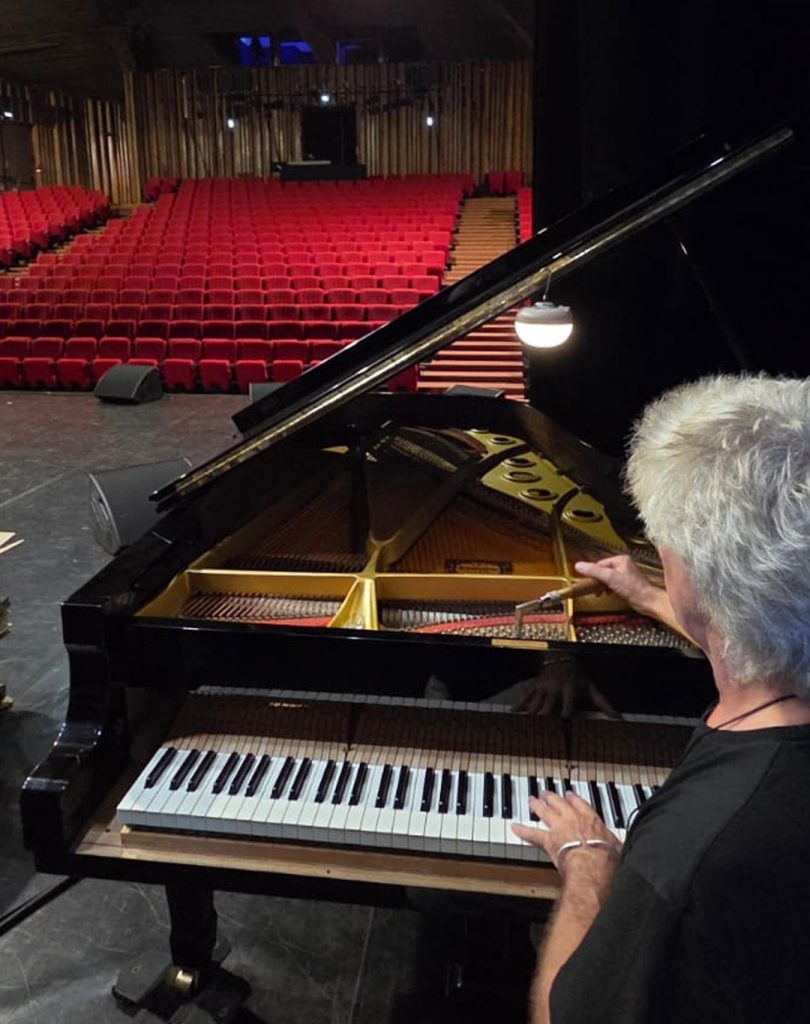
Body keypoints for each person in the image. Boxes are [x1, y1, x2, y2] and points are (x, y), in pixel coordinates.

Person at [511, 374, 810, 1024]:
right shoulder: (785, 647)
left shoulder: (692, 852)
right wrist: (648, 595)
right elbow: (753, 634)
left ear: (700, 573)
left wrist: (588, 863)